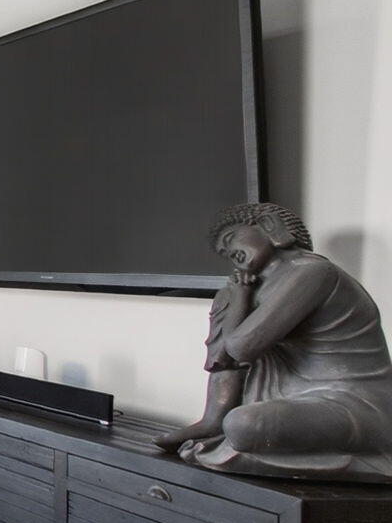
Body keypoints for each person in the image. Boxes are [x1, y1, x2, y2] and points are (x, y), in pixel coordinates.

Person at [156, 203, 392, 482]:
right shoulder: (256, 287)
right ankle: (213, 420)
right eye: (224, 253)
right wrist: (237, 297)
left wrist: (241, 297)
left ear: (268, 226)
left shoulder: (314, 273)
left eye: (231, 239)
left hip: (352, 405)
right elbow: (229, 353)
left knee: (242, 425)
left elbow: (242, 347)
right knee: (226, 300)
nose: (230, 254)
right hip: (298, 399)